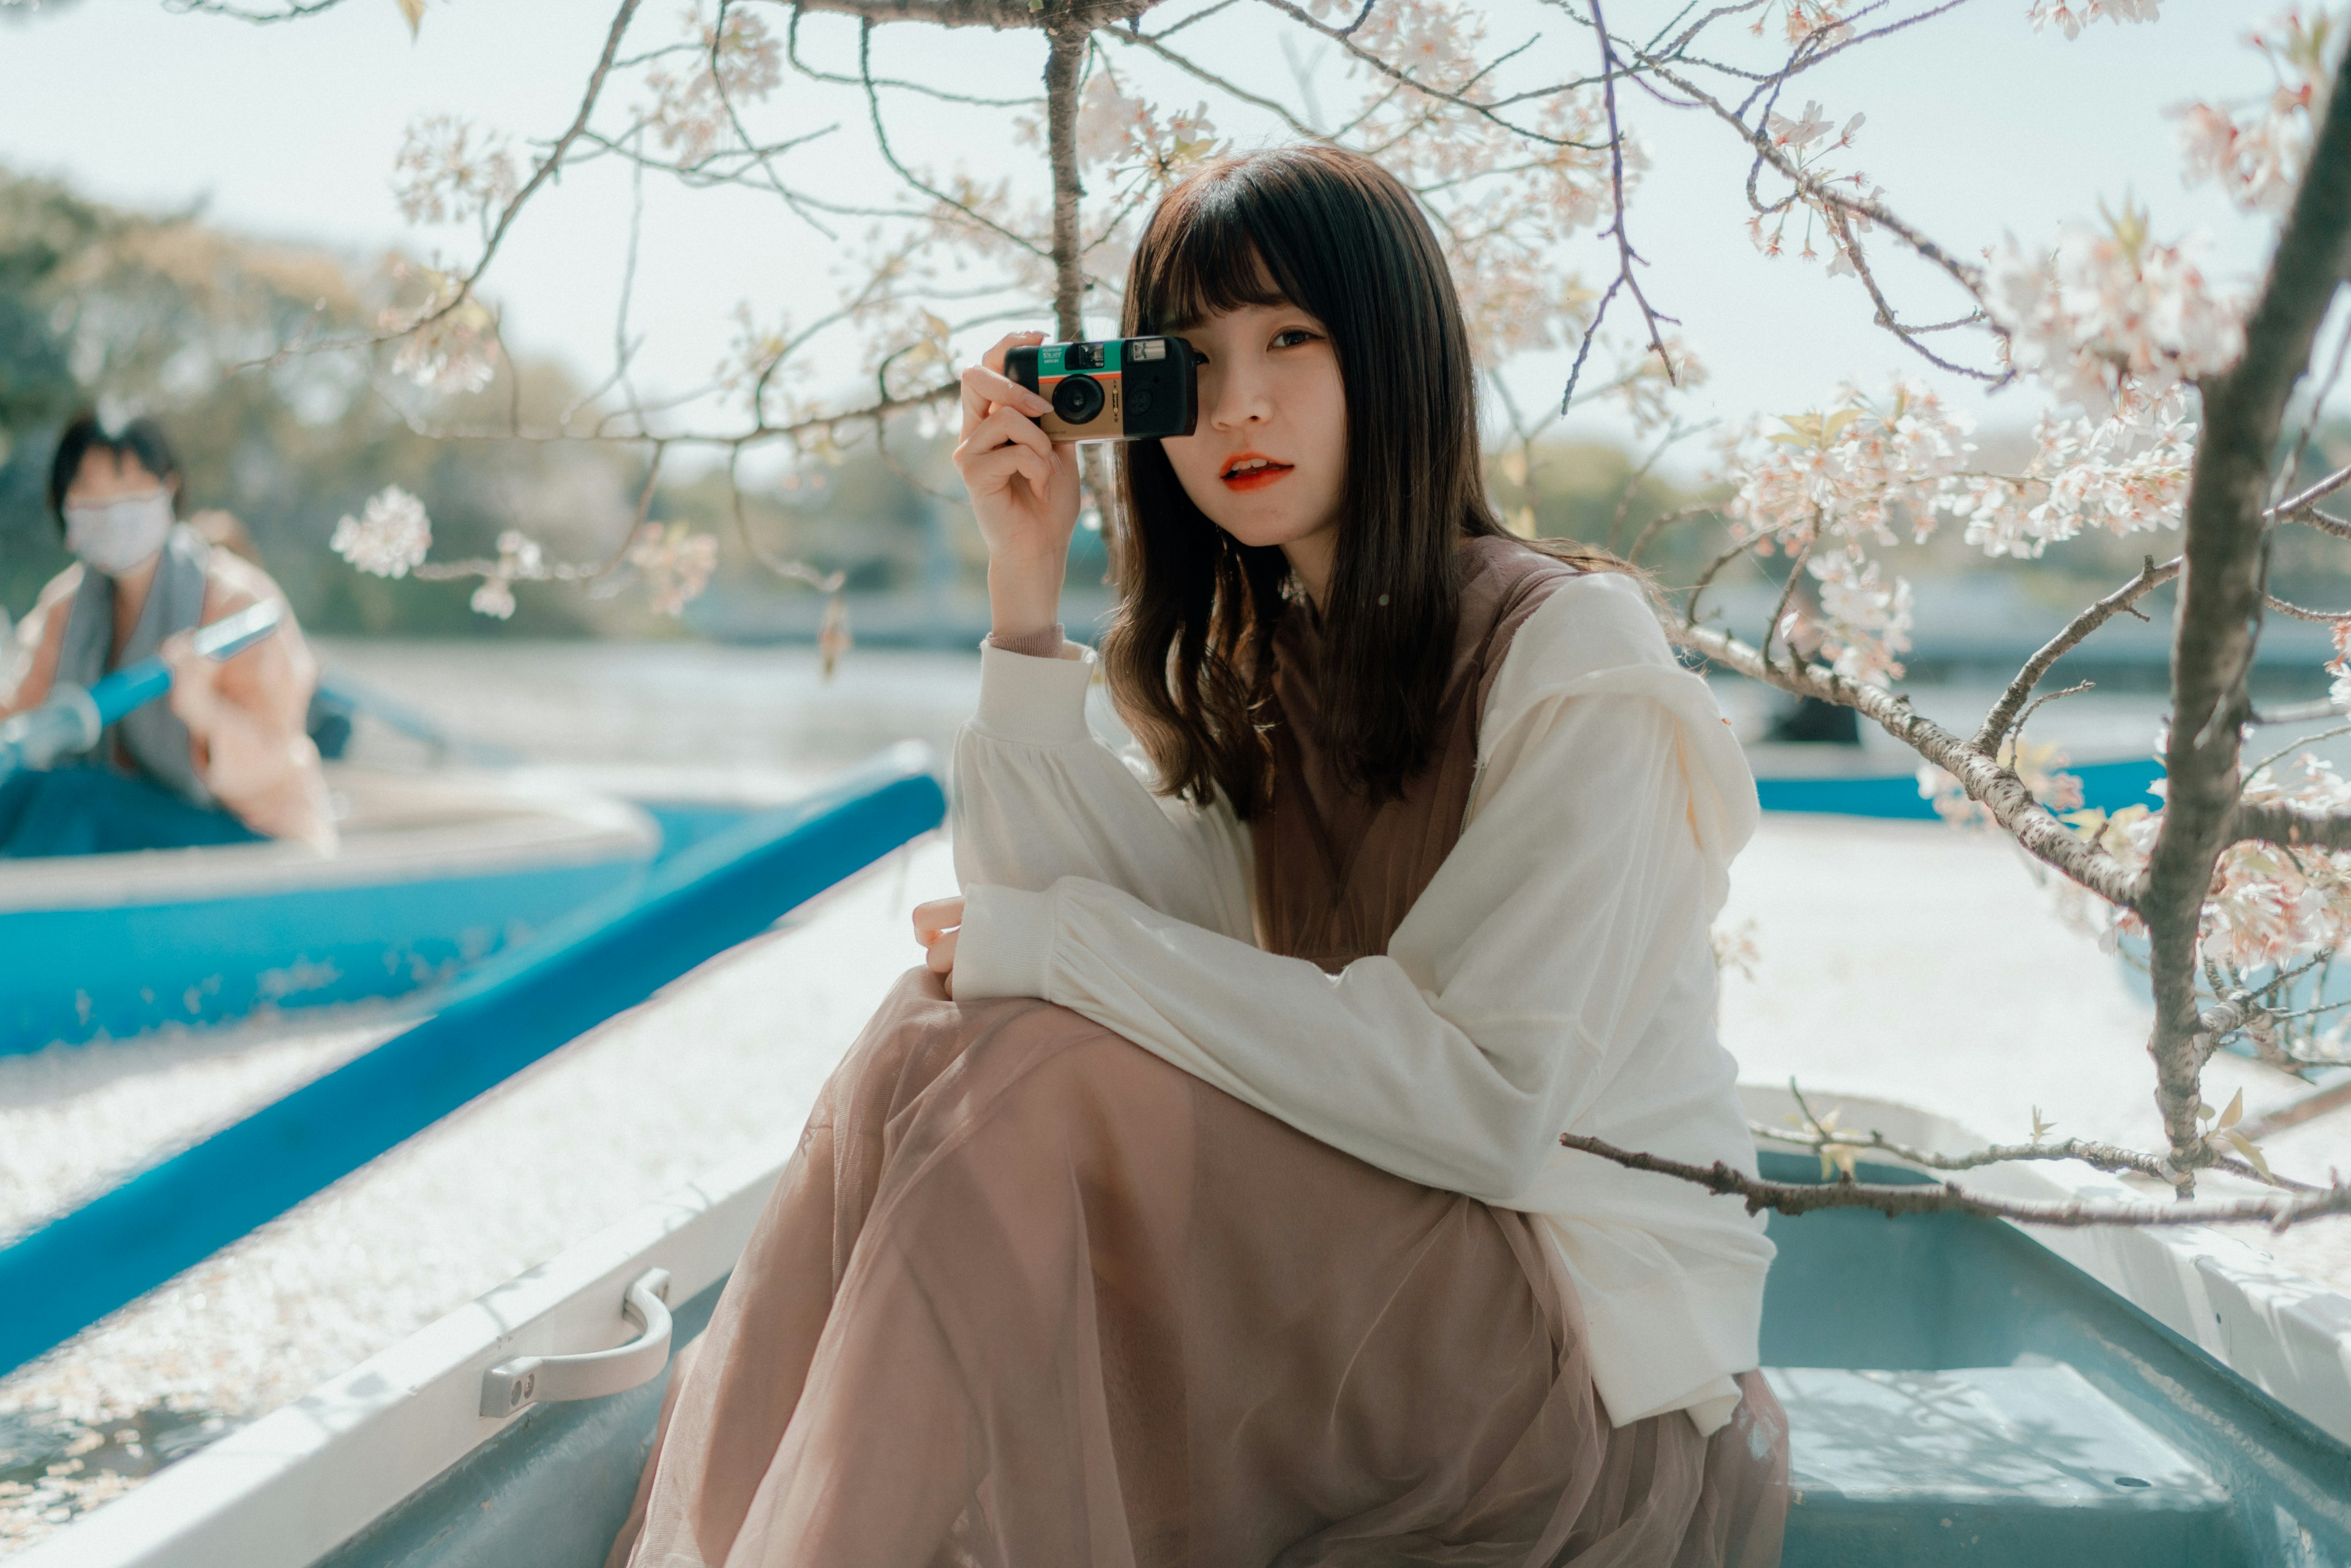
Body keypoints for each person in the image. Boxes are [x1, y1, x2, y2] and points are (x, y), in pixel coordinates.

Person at [609, 146, 1787, 1568]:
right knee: (931, 1029)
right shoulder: (1277, 656)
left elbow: (1489, 1101)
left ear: (1395, 360)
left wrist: (1056, 956)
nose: (1237, 400)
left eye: (1290, 338)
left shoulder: (1571, 649)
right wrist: (1023, 591)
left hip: (1569, 1341)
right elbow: (1055, 912)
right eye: (1195, 357)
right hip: (1365, 1267)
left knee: (1034, 1068)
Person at [0, 412, 334, 857]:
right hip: (139, 815)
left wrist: (204, 711)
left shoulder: (237, 602)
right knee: (20, 790)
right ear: (64, 502)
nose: (113, 508)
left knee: (77, 800)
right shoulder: (66, 605)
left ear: (168, 490)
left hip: (253, 834)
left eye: (131, 487)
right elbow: (21, 714)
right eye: (91, 489)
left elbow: (275, 757)